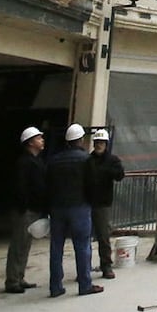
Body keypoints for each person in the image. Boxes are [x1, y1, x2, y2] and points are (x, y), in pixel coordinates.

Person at [44, 123, 103, 297]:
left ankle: (55, 286)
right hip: (79, 207)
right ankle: (84, 284)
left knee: (56, 247)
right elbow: (92, 184)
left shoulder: (54, 161)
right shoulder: (86, 160)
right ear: (81, 140)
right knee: (82, 246)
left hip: (58, 208)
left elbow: (48, 185)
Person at [4, 125, 45, 294]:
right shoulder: (24, 163)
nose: (42, 140)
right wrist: (24, 206)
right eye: (38, 138)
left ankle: (19, 277)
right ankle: (13, 280)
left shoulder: (36, 161)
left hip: (32, 209)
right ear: (30, 143)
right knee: (18, 244)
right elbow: (21, 187)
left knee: (25, 244)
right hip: (25, 210)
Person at [86, 128, 125, 279]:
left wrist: (109, 171)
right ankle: (84, 267)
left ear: (106, 144)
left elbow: (119, 175)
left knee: (103, 236)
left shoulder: (112, 160)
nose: (99, 145)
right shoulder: (88, 161)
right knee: (85, 237)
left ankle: (106, 265)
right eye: (97, 142)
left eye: (102, 143)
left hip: (102, 204)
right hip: (88, 202)